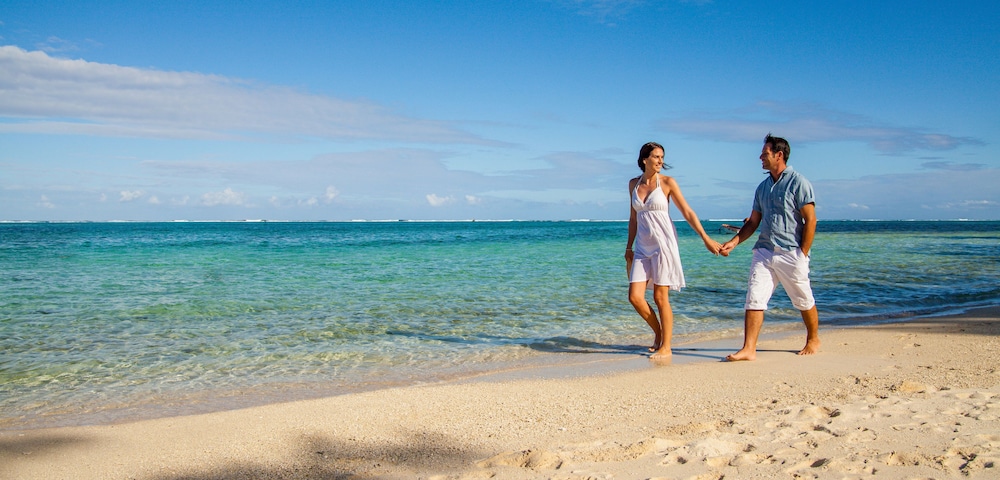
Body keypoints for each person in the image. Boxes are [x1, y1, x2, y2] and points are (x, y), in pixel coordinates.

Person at [719, 133, 821, 361]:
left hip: (791, 252)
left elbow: (811, 220)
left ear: (779, 155)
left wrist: (802, 253)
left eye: (765, 154)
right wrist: (733, 243)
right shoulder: (762, 188)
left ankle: (813, 339)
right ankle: (749, 349)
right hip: (764, 251)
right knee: (754, 298)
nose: (760, 158)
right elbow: (753, 222)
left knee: (803, 299)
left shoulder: (799, 182)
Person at [626, 142, 721, 361]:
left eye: (662, 157)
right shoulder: (633, 184)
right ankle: (659, 334)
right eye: (656, 157)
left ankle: (666, 347)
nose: (660, 161)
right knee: (635, 297)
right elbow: (633, 218)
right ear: (644, 160)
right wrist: (628, 247)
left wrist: (705, 238)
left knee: (660, 297)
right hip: (642, 247)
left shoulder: (668, 183)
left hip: (663, 245)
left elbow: (687, 212)